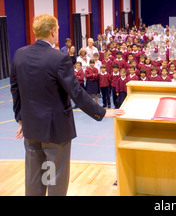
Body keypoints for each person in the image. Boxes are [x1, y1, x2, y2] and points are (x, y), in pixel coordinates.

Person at [10, 14, 124, 196]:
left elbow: (15, 90)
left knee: (34, 176)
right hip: (55, 130)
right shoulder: (59, 58)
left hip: (31, 127)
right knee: (55, 177)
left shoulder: (20, 55)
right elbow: (76, 92)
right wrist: (101, 112)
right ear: (53, 31)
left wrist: (20, 120)